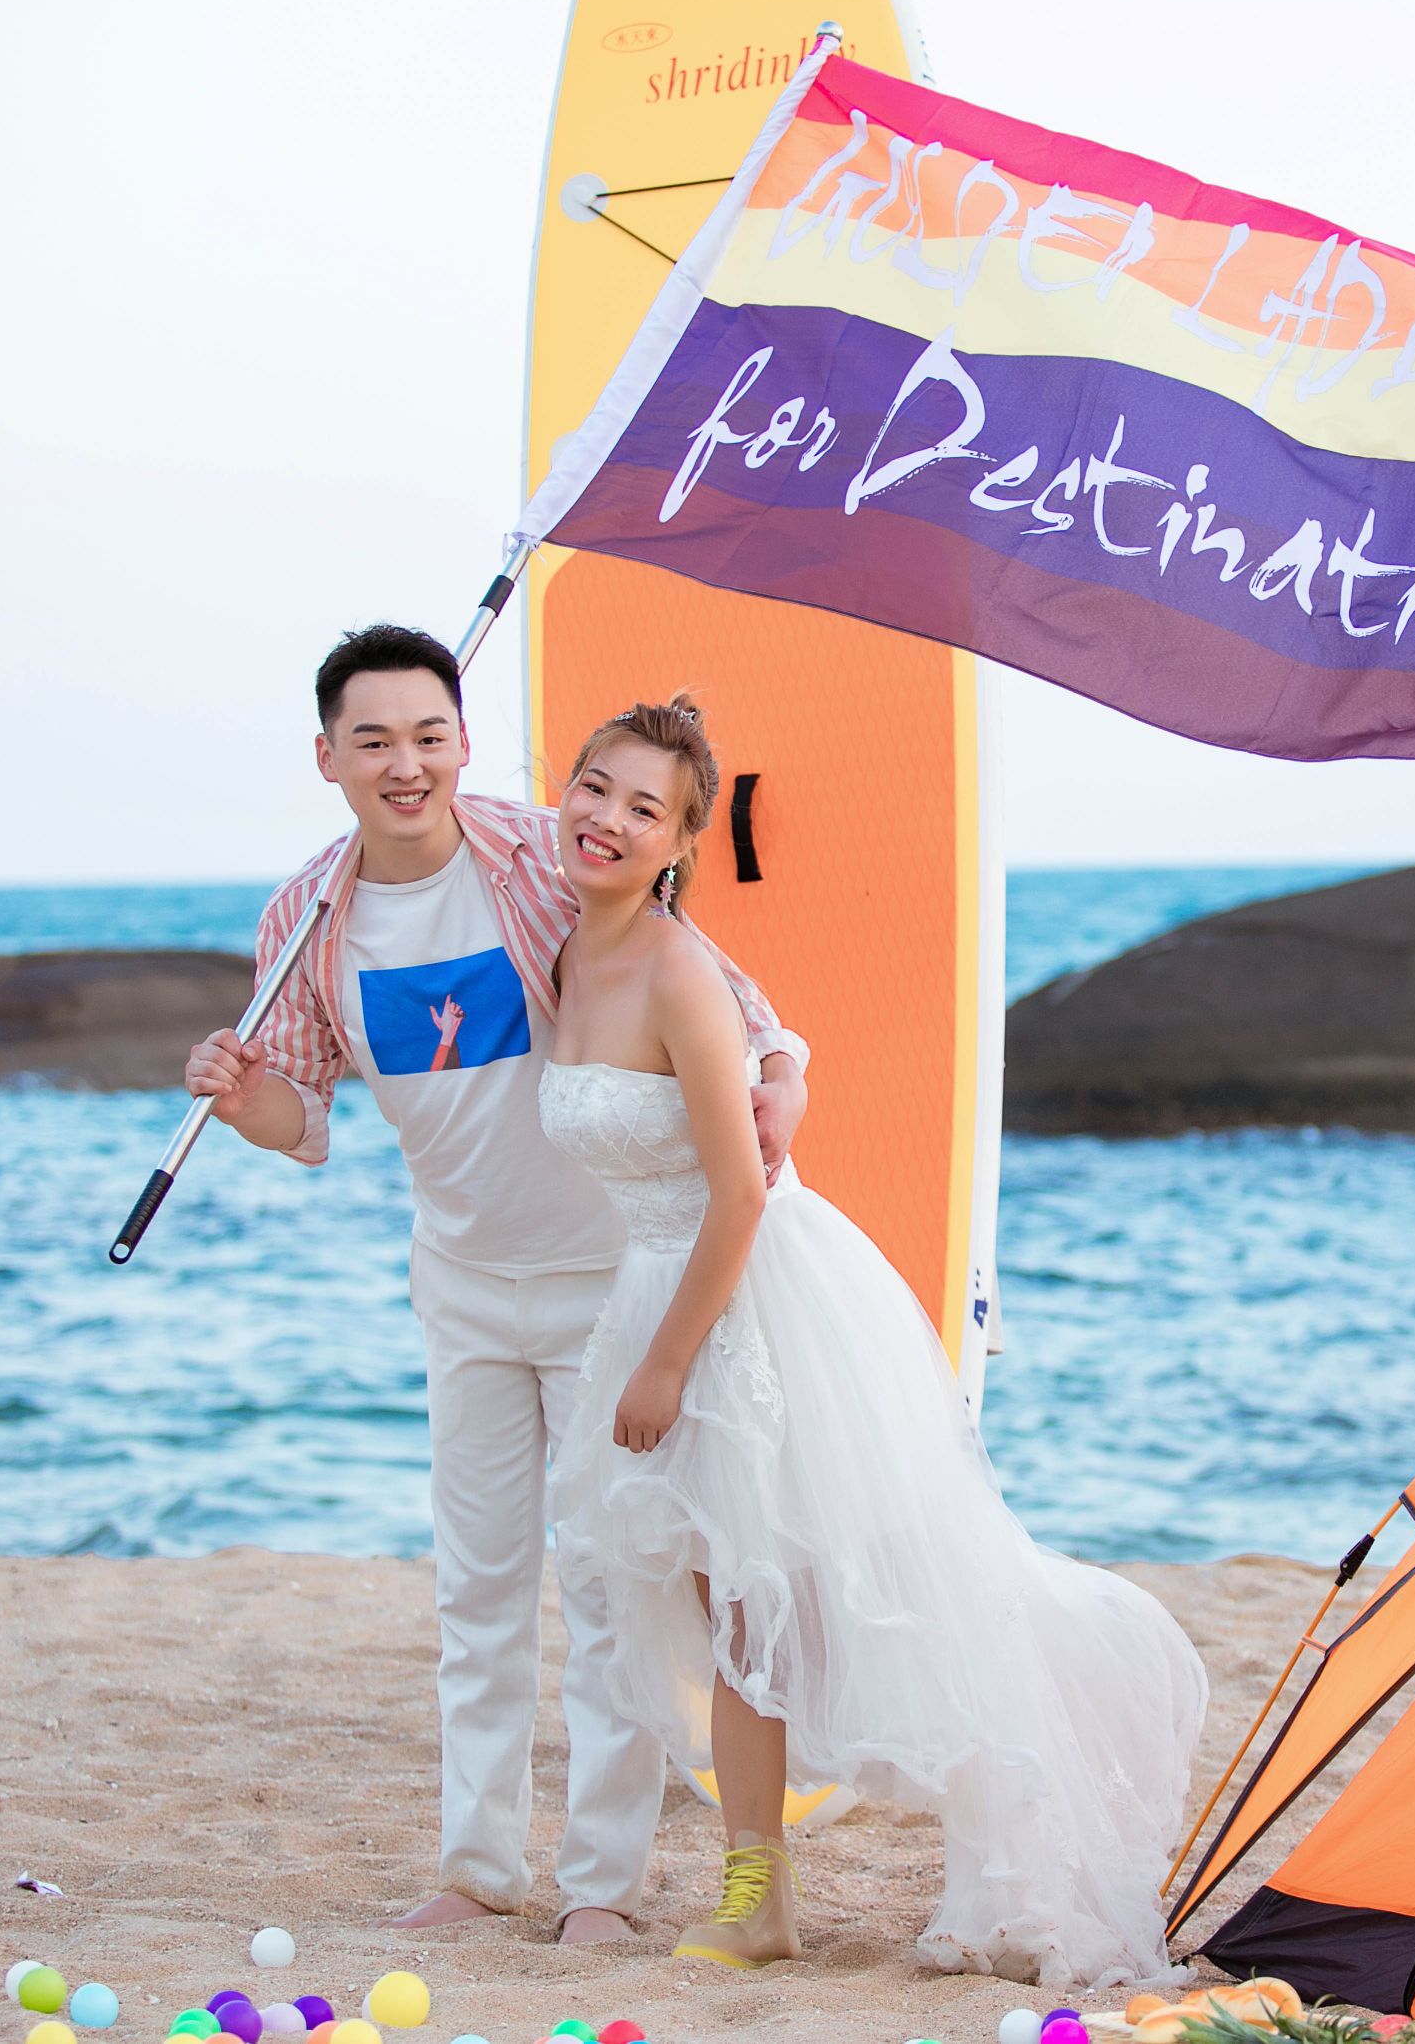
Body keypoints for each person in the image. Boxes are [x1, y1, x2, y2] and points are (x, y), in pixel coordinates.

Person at [537, 695, 1207, 1991]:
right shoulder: (569, 950)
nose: (608, 819)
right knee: (725, 1597)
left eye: (644, 808)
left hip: (746, 1295)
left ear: (680, 842)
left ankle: (768, 1891)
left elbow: (740, 1194)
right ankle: (760, 1885)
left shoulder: (677, 971)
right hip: (654, 1280)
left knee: (776, 1596)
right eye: (595, 788)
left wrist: (666, 1361)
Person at [180, 625, 814, 1945]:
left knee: (609, 1594)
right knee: (475, 1590)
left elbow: (734, 1004)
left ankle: (603, 1887)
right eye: (373, 741)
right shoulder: (305, 919)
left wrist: (787, 1078)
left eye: (429, 735)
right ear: (328, 757)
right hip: (461, 1285)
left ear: (465, 743)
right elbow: (304, 1118)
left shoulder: (543, 854)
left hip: (604, 1284)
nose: (404, 764)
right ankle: (477, 1871)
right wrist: (244, 1101)